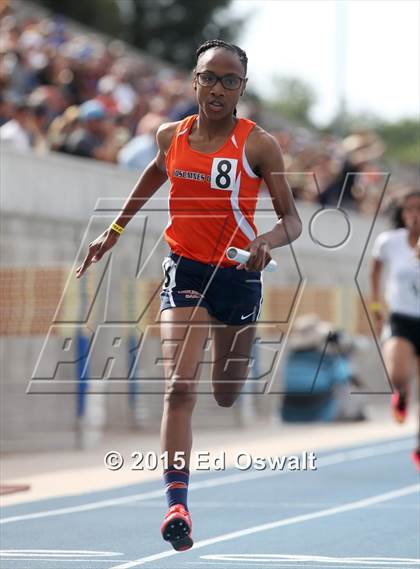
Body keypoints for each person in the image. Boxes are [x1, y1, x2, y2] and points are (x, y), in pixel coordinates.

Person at [75, 39, 302, 551]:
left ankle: (235, 347)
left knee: (225, 393)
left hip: (240, 275)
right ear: (193, 80)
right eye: (209, 77)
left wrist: (265, 242)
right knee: (179, 387)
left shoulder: (258, 145)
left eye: (230, 81)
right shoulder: (170, 136)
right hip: (186, 269)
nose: (218, 88)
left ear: (242, 88)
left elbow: (292, 220)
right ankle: (177, 503)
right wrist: (113, 230)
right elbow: (157, 172)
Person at [370, 191, 420, 471]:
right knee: (398, 373)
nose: (414, 215)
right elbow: (375, 270)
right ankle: (400, 392)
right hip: (401, 317)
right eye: (409, 210)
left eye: (419, 209)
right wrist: (377, 305)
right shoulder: (389, 242)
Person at [280, 314, 366, 423]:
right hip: (319, 414)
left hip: (289, 415)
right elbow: (352, 378)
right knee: (344, 383)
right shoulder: (328, 359)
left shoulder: (291, 358)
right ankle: (353, 413)